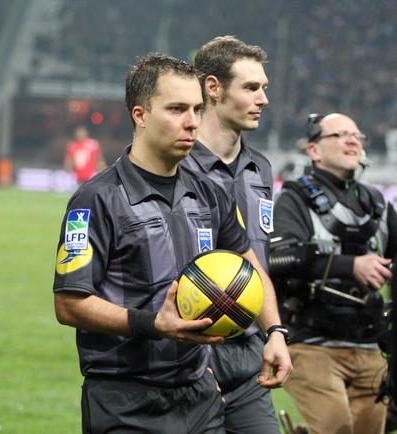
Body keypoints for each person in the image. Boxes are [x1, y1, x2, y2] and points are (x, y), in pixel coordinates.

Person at [53, 53, 291, 433]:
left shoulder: (211, 194)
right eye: (177, 109)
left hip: (199, 394)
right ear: (140, 114)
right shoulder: (96, 199)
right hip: (125, 400)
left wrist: (275, 331)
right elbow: (68, 303)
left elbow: (251, 268)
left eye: (197, 108)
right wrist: (153, 324)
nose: (192, 121)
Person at [182, 35, 284, 433]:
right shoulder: (176, 165)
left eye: (264, 88)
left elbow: (257, 255)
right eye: (251, 87)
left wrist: (275, 331)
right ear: (213, 88)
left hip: (249, 358)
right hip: (189, 356)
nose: (263, 99)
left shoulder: (260, 168)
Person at [270, 112, 397, 434]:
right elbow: (280, 258)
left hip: (369, 344)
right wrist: (350, 265)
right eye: (339, 135)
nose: (352, 140)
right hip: (313, 343)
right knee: (337, 427)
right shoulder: (293, 199)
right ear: (314, 150)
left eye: (357, 135)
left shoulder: (378, 204)